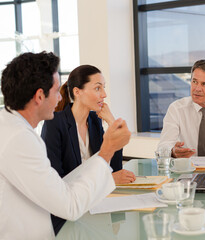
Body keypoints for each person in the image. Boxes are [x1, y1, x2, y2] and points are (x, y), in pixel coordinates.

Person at [0, 51, 131, 239]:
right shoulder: (20, 140)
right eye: (55, 91)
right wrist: (106, 151)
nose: (61, 98)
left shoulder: (12, 127)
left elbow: (61, 186)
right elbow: (69, 206)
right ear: (39, 96)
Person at [41, 65, 135, 234]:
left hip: (94, 208)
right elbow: (57, 183)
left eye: (103, 88)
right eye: (98, 88)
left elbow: (114, 169)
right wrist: (108, 177)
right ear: (77, 92)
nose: (104, 95)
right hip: (66, 216)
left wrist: (112, 122)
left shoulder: (94, 121)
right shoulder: (55, 124)